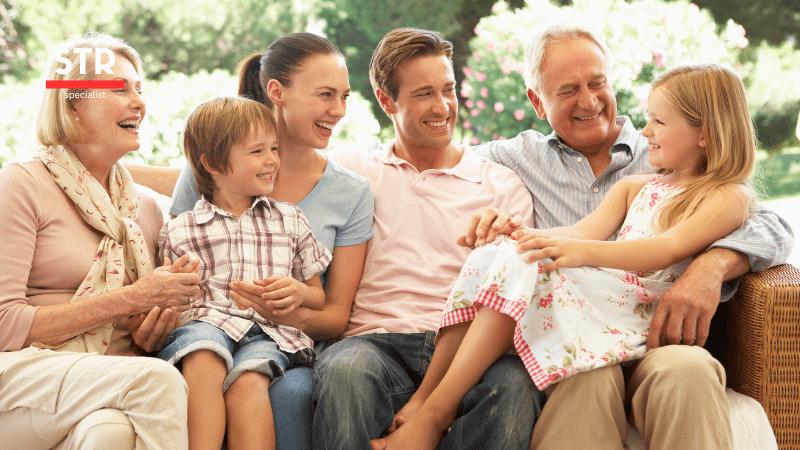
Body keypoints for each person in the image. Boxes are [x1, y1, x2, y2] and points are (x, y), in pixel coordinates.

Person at [370, 62, 759, 450]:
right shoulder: (635, 187)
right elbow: (578, 232)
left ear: (704, 134)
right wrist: (520, 234)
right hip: (607, 310)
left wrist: (574, 252)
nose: (645, 131)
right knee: (503, 252)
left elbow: (666, 249)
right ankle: (426, 402)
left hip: (645, 314)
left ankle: (436, 414)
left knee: (524, 261)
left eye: (658, 122)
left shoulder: (727, 195)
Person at [462, 21, 794, 449]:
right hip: (582, 336)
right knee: (585, 378)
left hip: (657, 335)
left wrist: (715, 264)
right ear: (537, 101)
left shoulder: (661, 155)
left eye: (597, 83)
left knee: (686, 370)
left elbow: (768, 222)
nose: (588, 100)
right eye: (567, 91)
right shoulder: (515, 157)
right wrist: (511, 232)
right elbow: (440, 156)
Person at [289, 27, 539, 450]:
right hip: (373, 344)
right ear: (387, 101)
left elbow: (513, 292)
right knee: (347, 372)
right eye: (424, 94)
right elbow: (256, 166)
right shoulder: (350, 171)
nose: (443, 107)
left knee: (515, 386)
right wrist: (138, 172)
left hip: (466, 350)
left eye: (449, 89)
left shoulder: (499, 184)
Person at [167, 33, 373, 450]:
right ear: (276, 92)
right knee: (203, 361)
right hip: (208, 329)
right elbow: (174, 275)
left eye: (345, 97)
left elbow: (335, 315)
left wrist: (286, 307)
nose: (339, 111)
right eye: (325, 95)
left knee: (271, 388)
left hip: (282, 340)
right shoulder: (211, 170)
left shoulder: (349, 192)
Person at [0, 32, 202, 449]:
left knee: (111, 432)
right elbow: (4, 327)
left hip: (99, 381)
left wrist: (150, 329)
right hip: (18, 374)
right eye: (119, 88)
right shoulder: (20, 184)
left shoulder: (143, 208)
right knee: (157, 379)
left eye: (140, 89)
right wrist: (133, 298)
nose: (140, 102)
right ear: (72, 104)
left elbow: (137, 333)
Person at [158, 96, 331, 450]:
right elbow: (167, 303)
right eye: (257, 152)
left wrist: (298, 293)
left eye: (274, 148)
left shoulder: (290, 219)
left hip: (268, 333)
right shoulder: (181, 230)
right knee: (203, 357)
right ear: (212, 164)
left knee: (248, 383)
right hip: (205, 326)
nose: (272, 161)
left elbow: (318, 295)